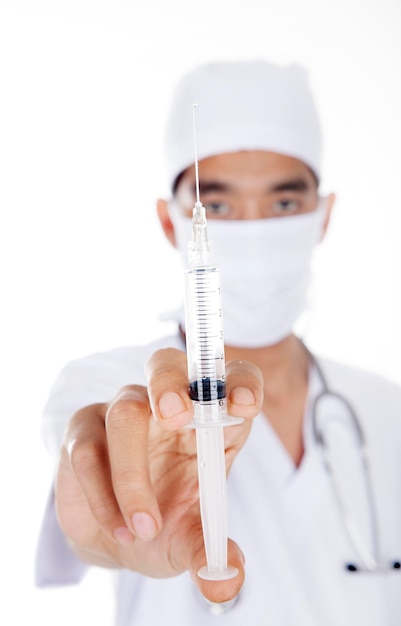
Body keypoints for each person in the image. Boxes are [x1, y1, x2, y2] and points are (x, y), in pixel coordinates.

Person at [35, 60, 401, 625]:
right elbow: (89, 481)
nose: (252, 232)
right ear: (170, 223)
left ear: (323, 215)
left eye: (283, 203)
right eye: (220, 205)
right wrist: (115, 524)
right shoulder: (113, 387)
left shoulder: (385, 408)